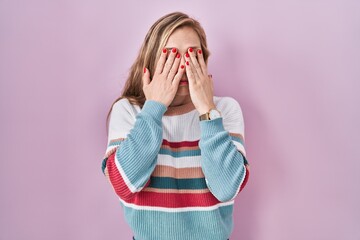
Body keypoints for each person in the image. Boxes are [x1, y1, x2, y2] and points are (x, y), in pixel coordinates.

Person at [101, 11, 250, 240]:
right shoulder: (129, 111)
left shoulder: (224, 110)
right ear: (152, 60)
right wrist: (154, 107)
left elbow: (226, 188)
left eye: (192, 55)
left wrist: (207, 111)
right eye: (170, 56)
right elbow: (124, 185)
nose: (182, 65)